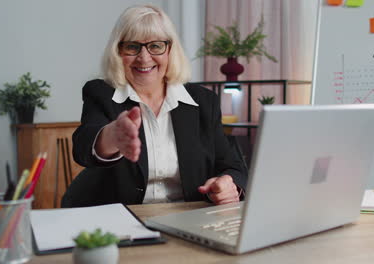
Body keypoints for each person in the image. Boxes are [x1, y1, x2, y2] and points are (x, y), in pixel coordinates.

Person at [62, 5, 248, 208]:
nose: (144, 57)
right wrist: (112, 136)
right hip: (120, 216)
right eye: (132, 47)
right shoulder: (101, 93)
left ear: (170, 50)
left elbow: (233, 166)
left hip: (187, 217)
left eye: (156, 46)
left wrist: (229, 185)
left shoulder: (204, 101)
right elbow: (82, 148)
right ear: (118, 51)